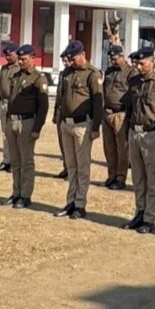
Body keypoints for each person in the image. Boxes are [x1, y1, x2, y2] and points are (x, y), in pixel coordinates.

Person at [122, 48, 155, 234]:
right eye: (137, 63)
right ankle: (139, 212)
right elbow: (129, 109)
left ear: (152, 63)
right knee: (138, 178)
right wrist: (126, 135)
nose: (138, 67)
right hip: (134, 133)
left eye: (142, 63)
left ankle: (149, 218)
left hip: (151, 134)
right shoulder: (134, 81)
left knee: (152, 179)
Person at [53, 40, 103, 220]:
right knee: (71, 166)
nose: (71, 62)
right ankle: (71, 201)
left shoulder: (92, 74)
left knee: (82, 167)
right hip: (66, 124)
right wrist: (59, 119)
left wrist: (96, 127)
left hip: (83, 125)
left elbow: (98, 103)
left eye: (73, 58)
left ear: (83, 54)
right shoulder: (67, 73)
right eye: (69, 59)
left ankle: (80, 204)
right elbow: (61, 97)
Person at [3, 44, 49, 209]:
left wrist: (37, 128)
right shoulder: (15, 76)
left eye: (24, 59)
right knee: (15, 161)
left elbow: (43, 106)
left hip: (27, 122)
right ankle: (16, 192)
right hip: (12, 121)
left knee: (26, 161)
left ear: (32, 58)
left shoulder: (38, 78)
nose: (20, 62)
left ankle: (25, 195)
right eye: (20, 59)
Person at [102, 45, 136, 191]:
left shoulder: (131, 72)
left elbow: (133, 94)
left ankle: (121, 177)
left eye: (115, 58)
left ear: (122, 56)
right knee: (109, 148)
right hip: (107, 114)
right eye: (111, 59)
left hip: (121, 114)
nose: (113, 61)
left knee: (122, 148)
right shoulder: (109, 71)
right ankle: (111, 175)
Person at [0, 44, 19, 173]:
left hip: (15, 104)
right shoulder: (4, 69)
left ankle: (15, 162)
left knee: (14, 134)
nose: (7, 57)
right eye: (6, 55)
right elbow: (0, 88)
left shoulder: (20, 68)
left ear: (16, 54)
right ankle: (6, 160)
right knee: (5, 134)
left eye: (10, 55)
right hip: (4, 103)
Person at [53, 54, 73, 180]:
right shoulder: (62, 74)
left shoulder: (75, 74)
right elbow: (58, 94)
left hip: (71, 112)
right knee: (62, 142)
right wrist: (55, 112)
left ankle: (72, 170)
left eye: (67, 61)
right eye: (63, 61)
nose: (65, 63)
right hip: (61, 110)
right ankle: (66, 167)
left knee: (72, 145)